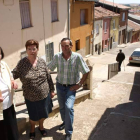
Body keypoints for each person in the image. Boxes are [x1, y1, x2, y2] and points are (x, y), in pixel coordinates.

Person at [48, 38, 90, 140]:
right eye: (62, 45)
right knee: (62, 107)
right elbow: (49, 68)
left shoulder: (77, 57)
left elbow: (86, 71)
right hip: (60, 86)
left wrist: (79, 84)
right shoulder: (57, 57)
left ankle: (68, 132)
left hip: (71, 87)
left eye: (66, 45)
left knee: (69, 107)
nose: (64, 48)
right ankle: (65, 122)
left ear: (71, 46)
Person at [12, 39, 55, 139]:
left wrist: (52, 90)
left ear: (37, 49)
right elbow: (13, 74)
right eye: (29, 49)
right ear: (26, 50)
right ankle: (32, 128)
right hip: (30, 97)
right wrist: (12, 81)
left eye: (34, 48)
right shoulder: (22, 63)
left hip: (44, 94)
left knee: (43, 114)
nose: (32, 51)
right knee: (33, 116)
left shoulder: (42, 62)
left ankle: (41, 126)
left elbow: (48, 77)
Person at [0, 46, 19, 140]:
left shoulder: (3, 64)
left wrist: (13, 82)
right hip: (0, 107)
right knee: (2, 132)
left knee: (11, 129)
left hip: (9, 103)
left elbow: (10, 76)